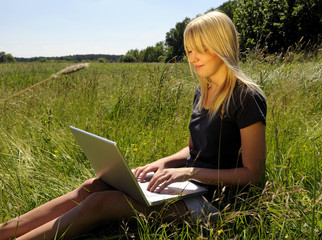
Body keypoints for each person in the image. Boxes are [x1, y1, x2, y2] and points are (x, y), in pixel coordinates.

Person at [0, 11, 266, 240]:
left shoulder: (246, 97)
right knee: (91, 186)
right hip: (187, 186)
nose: (192, 57)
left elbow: (253, 174)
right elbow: (194, 149)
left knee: (100, 203)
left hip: (215, 202)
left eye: (201, 49)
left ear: (221, 46)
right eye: (188, 51)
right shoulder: (203, 90)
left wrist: (188, 174)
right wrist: (161, 164)